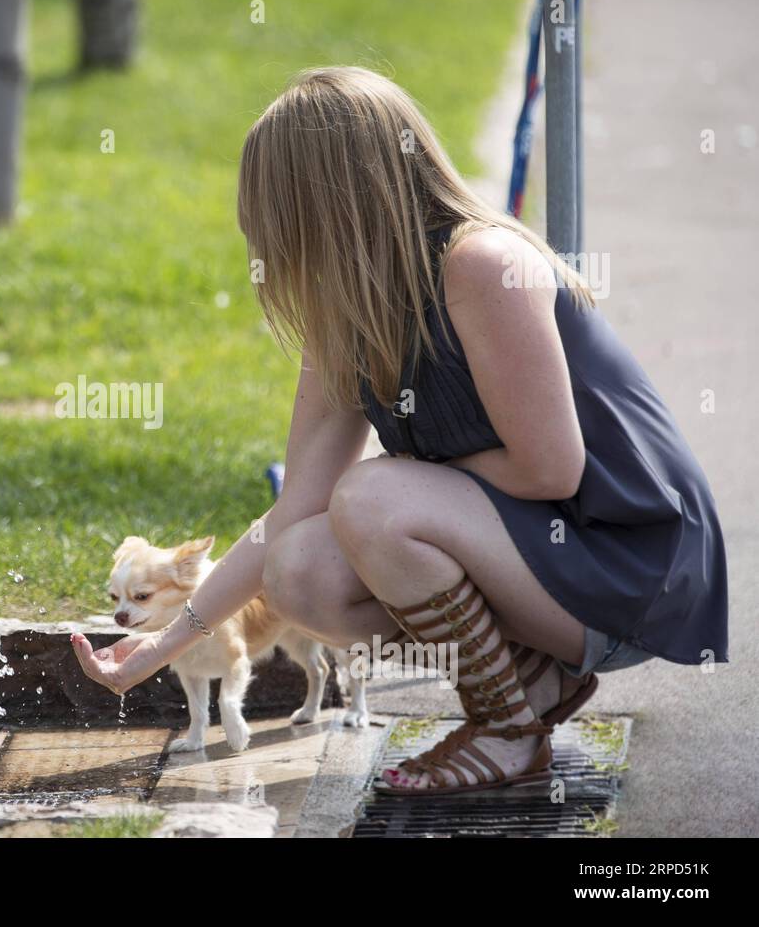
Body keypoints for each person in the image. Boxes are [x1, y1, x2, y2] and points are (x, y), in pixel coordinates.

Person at [71, 66, 728, 794]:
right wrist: (156, 648)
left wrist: (404, 488)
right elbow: (293, 511)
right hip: (541, 567)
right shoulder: (349, 314)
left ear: (329, 200)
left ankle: (507, 729)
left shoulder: (481, 266)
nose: (265, 234)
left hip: (626, 563)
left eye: (275, 207)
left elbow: (552, 471)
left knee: (370, 499)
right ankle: (528, 683)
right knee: (298, 569)